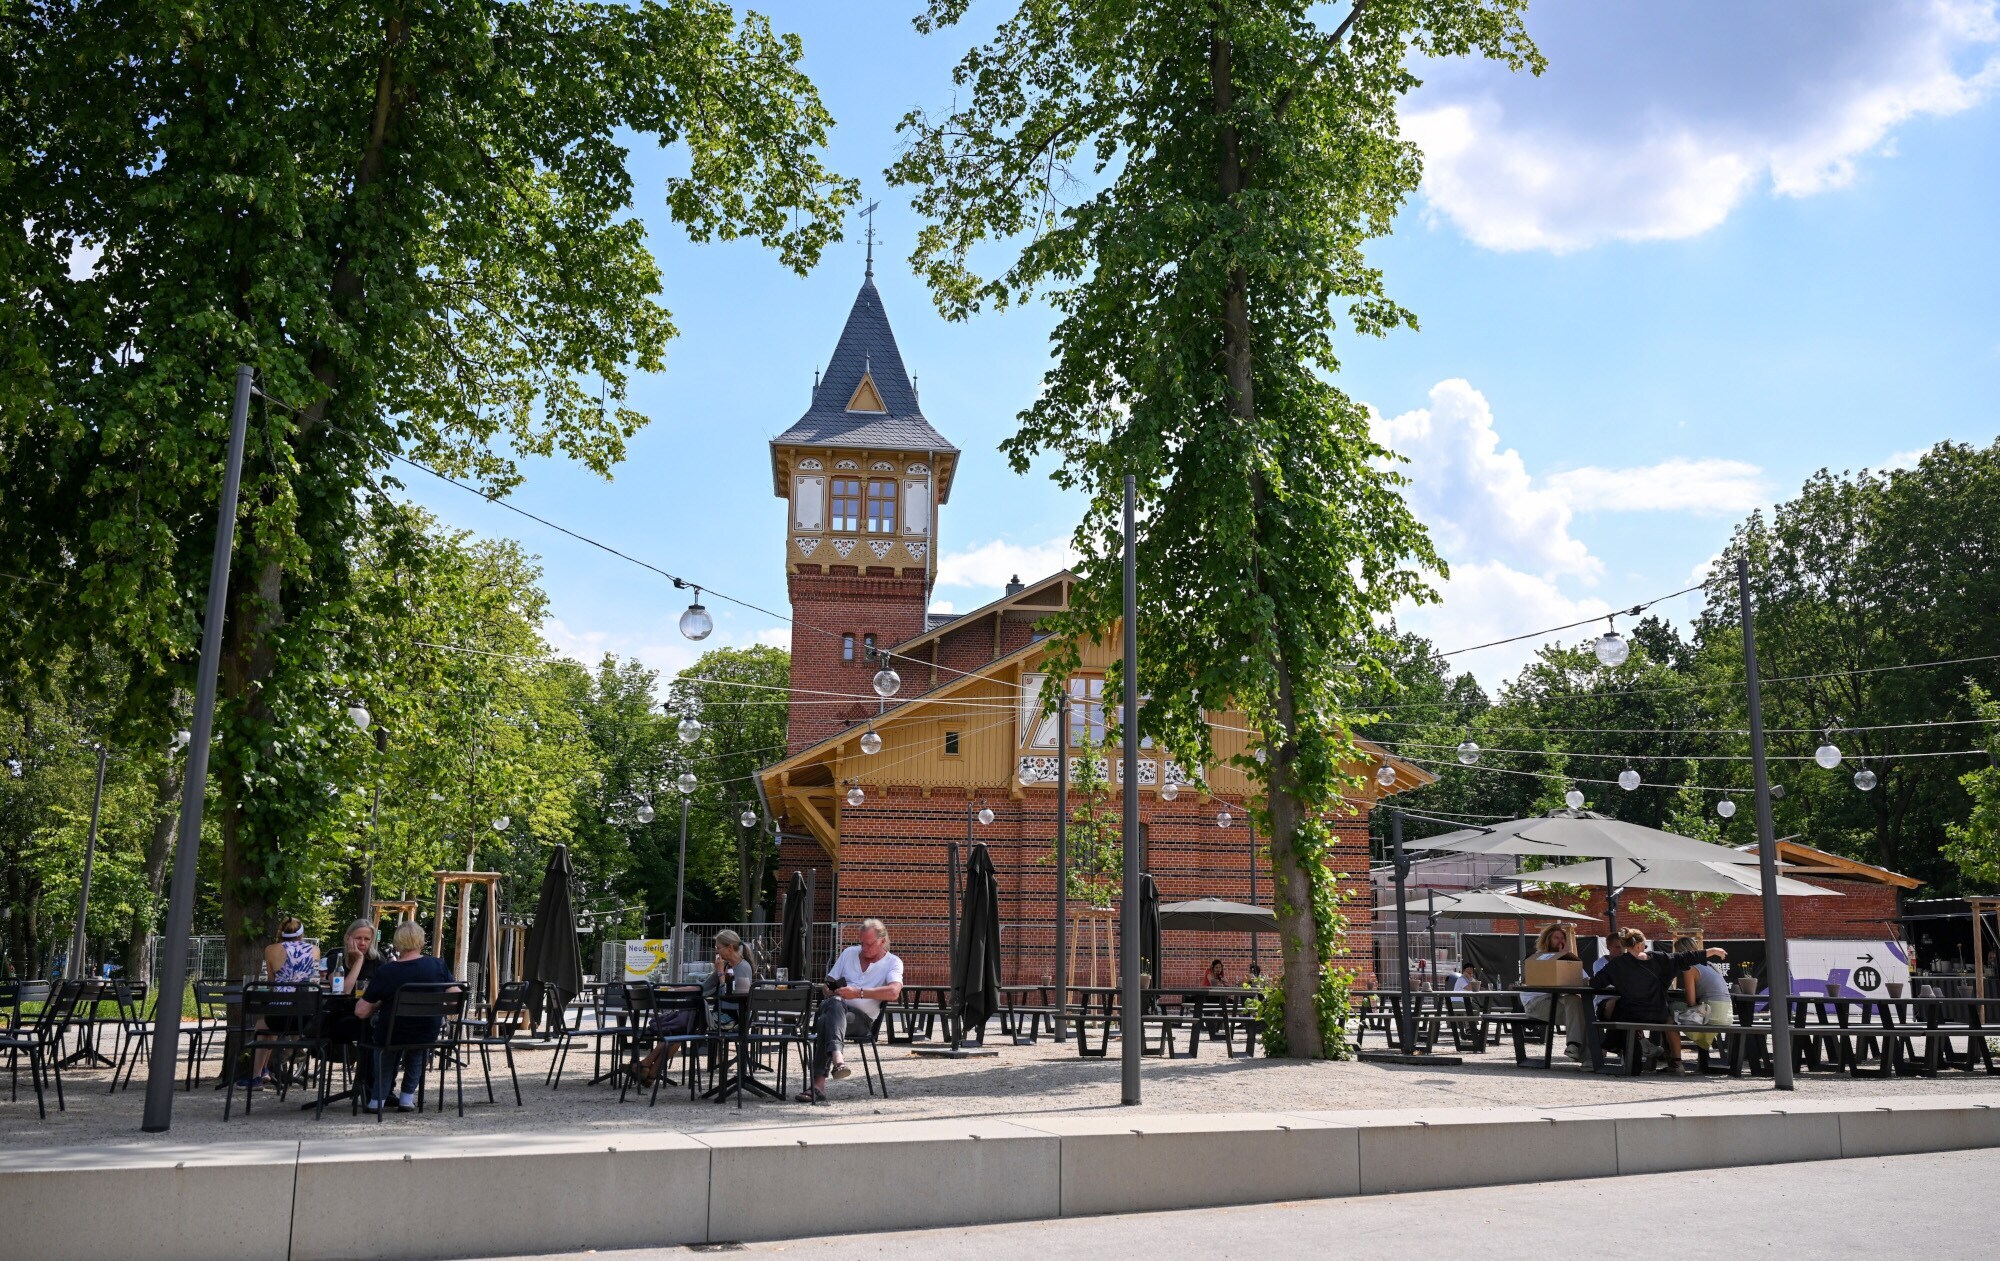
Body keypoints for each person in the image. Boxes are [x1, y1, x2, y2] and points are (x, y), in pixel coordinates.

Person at [354, 921, 458, 1113]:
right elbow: (455, 998)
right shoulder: (438, 965)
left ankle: (377, 1100)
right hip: (426, 1031)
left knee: (385, 1048)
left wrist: (379, 1003)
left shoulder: (387, 971)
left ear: (397, 943)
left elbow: (360, 1011)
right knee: (417, 1049)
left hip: (393, 1032)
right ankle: (407, 1099)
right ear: (421, 941)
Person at [1590, 928, 1727, 1073]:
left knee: (1619, 1011)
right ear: (1641, 944)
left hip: (1633, 1014)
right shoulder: (1660, 958)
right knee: (1668, 1017)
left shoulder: (1617, 964)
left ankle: (1627, 1059)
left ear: (1626, 945)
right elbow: (1685, 957)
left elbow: (1596, 983)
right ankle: (1673, 1059)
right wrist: (1712, 950)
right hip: (1658, 1013)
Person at [798, 918, 902, 1104]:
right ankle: (838, 1059)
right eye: (861, 943)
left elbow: (894, 992)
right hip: (836, 1009)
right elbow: (828, 982)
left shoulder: (893, 962)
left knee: (824, 1022)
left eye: (869, 944)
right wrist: (828, 989)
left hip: (861, 1021)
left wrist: (859, 993)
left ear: (882, 941)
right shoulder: (849, 953)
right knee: (835, 1003)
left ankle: (818, 1085)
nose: (864, 948)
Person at [637, 929, 754, 1087]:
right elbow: (703, 988)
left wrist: (720, 973)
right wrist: (673, 991)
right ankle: (650, 1070)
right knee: (683, 1027)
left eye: (718, 947)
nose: (716, 951)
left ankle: (647, 1065)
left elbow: (731, 996)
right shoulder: (725, 965)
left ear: (730, 948)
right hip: (717, 1015)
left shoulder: (743, 967)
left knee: (685, 1024)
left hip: (733, 1019)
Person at [245, 916, 319, 1086]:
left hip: (281, 1014)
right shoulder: (314, 950)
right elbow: (313, 979)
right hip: (305, 1015)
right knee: (268, 1027)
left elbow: (272, 982)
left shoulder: (271, 949)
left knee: (262, 1027)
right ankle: (265, 1071)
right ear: (301, 934)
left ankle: (257, 1075)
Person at [1520, 923, 1590, 1062]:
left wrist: (1566, 957)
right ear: (1548, 940)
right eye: (1556, 938)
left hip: (1558, 1001)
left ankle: (1576, 1048)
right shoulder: (1539, 958)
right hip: (1537, 1003)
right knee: (1581, 1012)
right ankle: (1588, 1057)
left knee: (1583, 1008)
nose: (1560, 941)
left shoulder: (1568, 959)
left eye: (1562, 938)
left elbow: (1585, 979)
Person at [1673, 935, 1735, 1050]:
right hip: (1727, 1016)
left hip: (1711, 1015)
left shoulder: (1690, 968)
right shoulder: (1711, 965)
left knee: (1670, 1013)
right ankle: (1702, 1052)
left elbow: (1691, 1002)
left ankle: (1675, 1059)